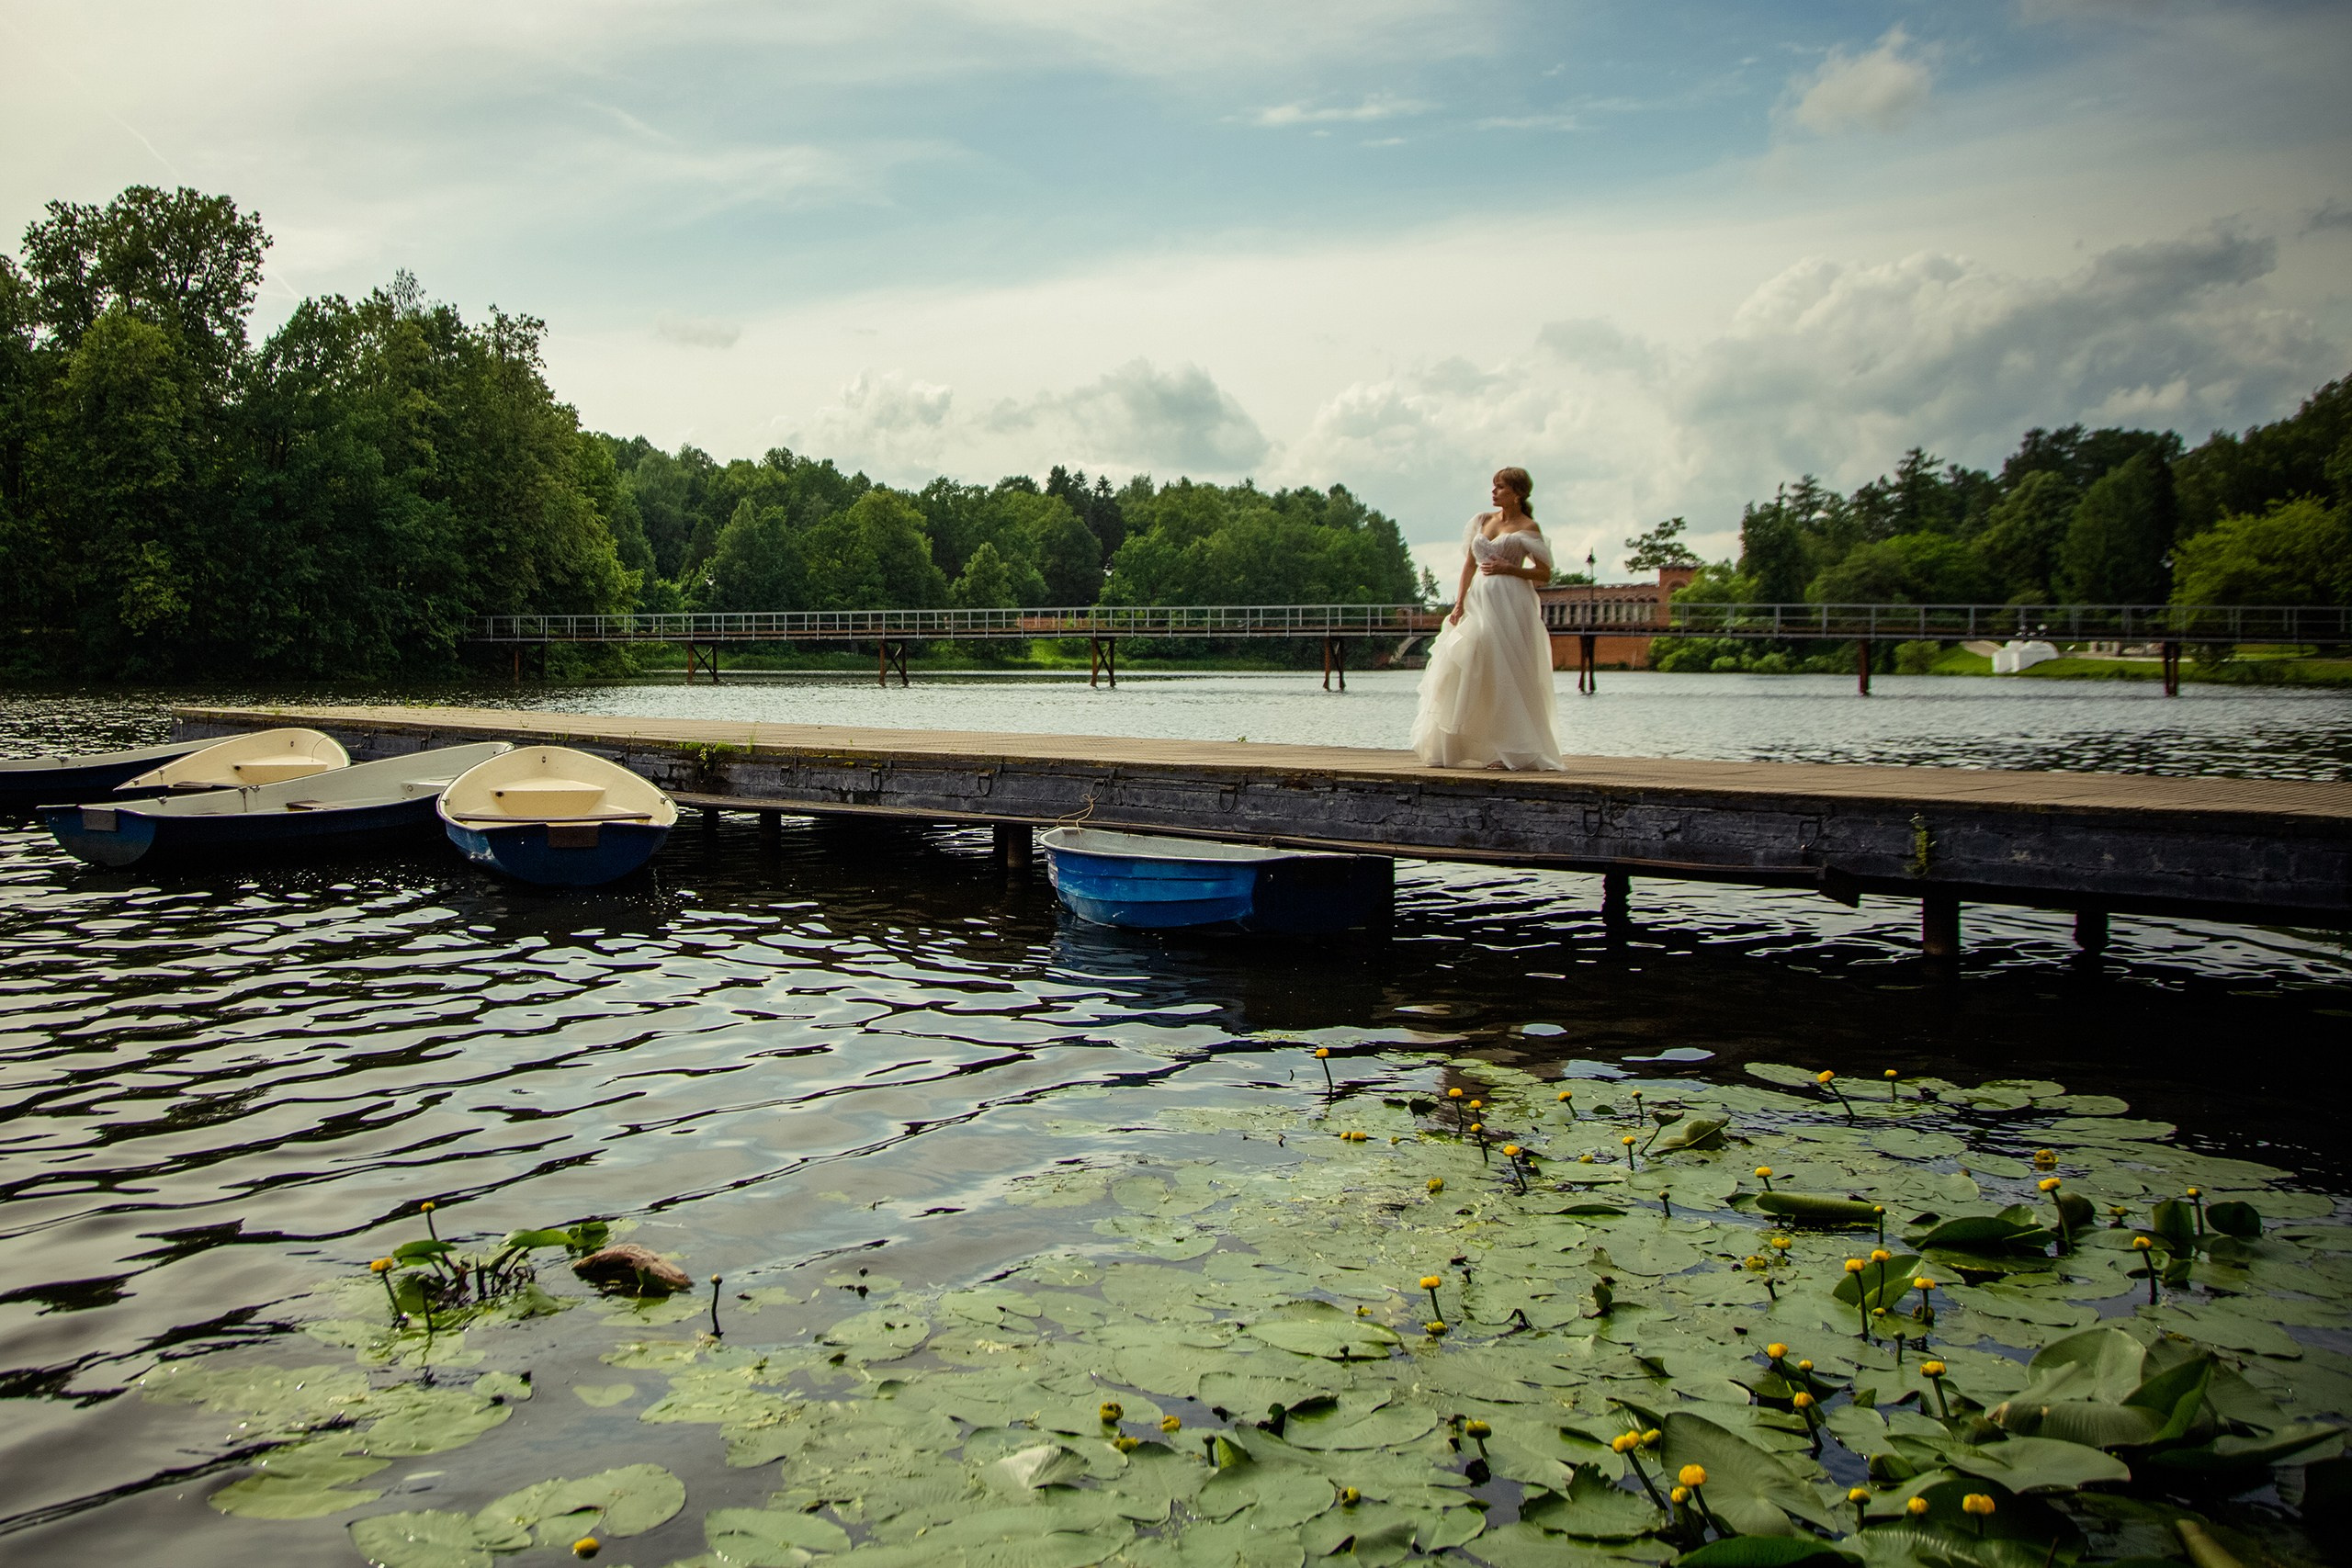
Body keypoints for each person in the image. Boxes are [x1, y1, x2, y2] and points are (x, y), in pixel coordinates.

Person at [1409, 467, 1564, 771]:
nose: (1494, 492)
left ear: (1517, 494)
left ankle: (1509, 750)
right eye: (1493, 487)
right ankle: (1454, 745)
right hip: (1478, 600)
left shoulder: (1528, 526)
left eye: (1501, 488)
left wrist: (1511, 569)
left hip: (1510, 602)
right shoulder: (1482, 520)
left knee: (1503, 668)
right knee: (1465, 660)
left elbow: (1544, 574)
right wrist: (1459, 603)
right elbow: (1469, 564)